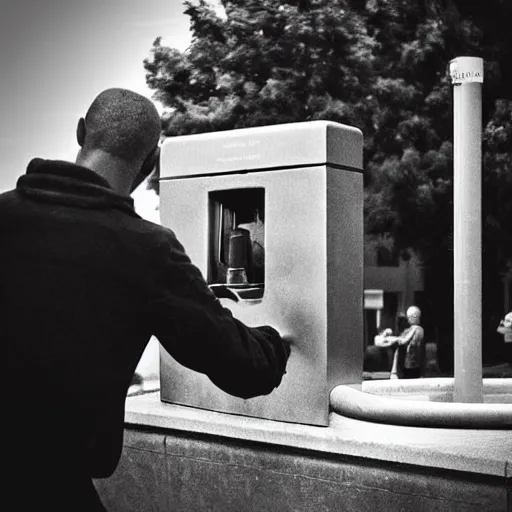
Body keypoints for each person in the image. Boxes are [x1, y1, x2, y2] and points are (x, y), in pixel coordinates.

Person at [2, 88, 291, 511]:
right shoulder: (145, 250)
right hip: (49, 486)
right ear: (153, 161)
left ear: (81, 131)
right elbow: (244, 367)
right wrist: (277, 340)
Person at [378, 306, 424, 379]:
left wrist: (393, 339)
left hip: (412, 362)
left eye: (410, 317)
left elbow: (404, 340)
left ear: (415, 317)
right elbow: (401, 338)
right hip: (408, 362)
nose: (408, 320)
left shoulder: (417, 329)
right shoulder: (411, 329)